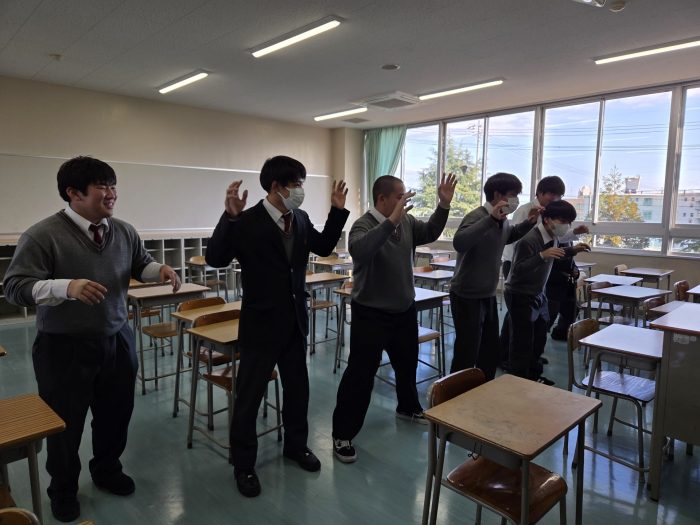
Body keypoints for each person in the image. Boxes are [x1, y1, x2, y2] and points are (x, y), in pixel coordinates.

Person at [3, 156, 181, 522]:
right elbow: (15, 287)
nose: (111, 193)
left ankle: (107, 469)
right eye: (102, 186)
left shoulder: (124, 230)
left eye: (113, 186)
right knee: (65, 425)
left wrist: (159, 269)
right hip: (63, 347)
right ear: (73, 193)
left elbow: (139, 264)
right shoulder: (42, 235)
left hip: (117, 338)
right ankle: (63, 489)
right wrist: (66, 287)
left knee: (116, 414)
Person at [205, 155, 349, 497]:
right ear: (275, 186)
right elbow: (215, 258)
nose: (300, 190)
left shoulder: (300, 217)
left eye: (301, 183)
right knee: (249, 397)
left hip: (294, 321)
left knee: (298, 390)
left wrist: (337, 211)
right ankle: (244, 465)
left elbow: (323, 247)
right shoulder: (247, 221)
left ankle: (296, 446)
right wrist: (229, 218)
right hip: (260, 323)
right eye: (295, 184)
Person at [331, 173, 457, 464]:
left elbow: (430, 231)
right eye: (400, 196)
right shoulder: (363, 224)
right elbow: (360, 250)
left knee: (407, 364)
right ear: (382, 199)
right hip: (370, 313)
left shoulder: (407, 222)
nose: (405, 200)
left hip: (403, 309)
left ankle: (407, 407)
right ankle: (342, 433)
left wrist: (444, 205)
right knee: (360, 375)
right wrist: (390, 222)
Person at [448, 172, 539, 380]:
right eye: (512, 194)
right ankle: (456, 394)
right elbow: (460, 242)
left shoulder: (502, 220)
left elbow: (508, 236)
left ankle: (484, 389)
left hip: (487, 294)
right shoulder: (477, 216)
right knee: (467, 352)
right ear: (497, 194)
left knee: (489, 350)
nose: (515, 200)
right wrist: (490, 219)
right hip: (467, 295)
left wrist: (529, 223)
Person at [498, 177, 589, 369]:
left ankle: (531, 362)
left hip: (536, 277)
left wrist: (573, 245)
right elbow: (518, 242)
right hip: (515, 267)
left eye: (559, 196)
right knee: (518, 324)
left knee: (536, 328)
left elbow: (556, 238)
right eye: (552, 194)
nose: (555, 198)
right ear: (540, 193)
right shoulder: (526, 213)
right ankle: (509, 359)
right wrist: (540, 255)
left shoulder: (553, 221)